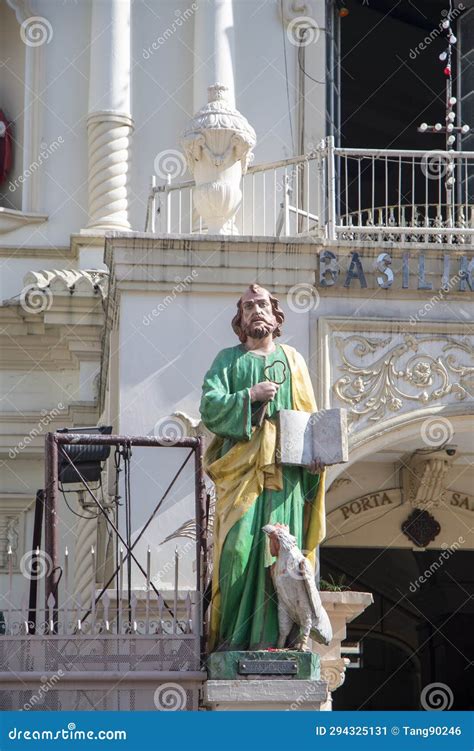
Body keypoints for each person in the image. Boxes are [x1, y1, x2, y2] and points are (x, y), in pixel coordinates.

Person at [200, 283, 326, 651]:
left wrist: (315, 459)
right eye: (248, 306)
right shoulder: (229, 360)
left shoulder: (294, 360)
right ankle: (233, 641)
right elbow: (210, 407)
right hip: (241, 474)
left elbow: (309, 417)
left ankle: (280, 641)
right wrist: (250, 397)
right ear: (239, 320)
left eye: (263, 305)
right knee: (237, 554)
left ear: (276, 317)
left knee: (283, 560)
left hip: (286, 477)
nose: (256, 311)